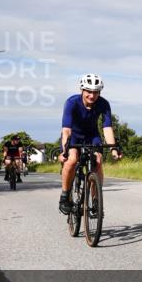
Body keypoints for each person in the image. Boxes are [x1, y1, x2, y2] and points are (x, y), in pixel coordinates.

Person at [58, 74, 121, 214]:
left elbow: (107, 128)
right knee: (72, 159)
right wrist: (65, 150)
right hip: (73, 136)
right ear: (82, 90)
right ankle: (64, 196)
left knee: (98, 161)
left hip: (92, 136)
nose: (92, 96)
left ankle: (96, 200)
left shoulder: (104, 104)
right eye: (89, 91)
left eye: (96, 92)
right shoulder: (72, 102)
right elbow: (66, 130)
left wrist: (113, 149)